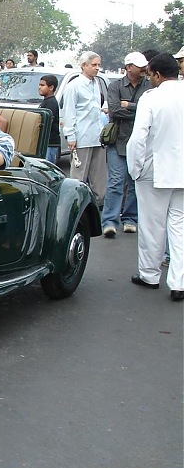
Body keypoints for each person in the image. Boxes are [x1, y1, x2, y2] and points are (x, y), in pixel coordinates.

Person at [126, 54, 184, 301]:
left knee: (152, 225)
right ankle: (179, 281)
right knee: (179, 226)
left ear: (157, 75)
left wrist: (135, 168)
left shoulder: (152, 97)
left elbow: (139, 137)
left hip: (154, 169)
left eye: (149, 74)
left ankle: (150, 275)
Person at [102, 51, 150, 238]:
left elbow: (149, 110)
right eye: (140, 66)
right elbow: (114, 111)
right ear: (129, 67)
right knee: (115, 182)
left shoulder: (148, 87)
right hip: (119, 140)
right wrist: (138, 109)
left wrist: (128, 106)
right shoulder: (115, 86)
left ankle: (130, 218)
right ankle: (109, 221)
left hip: (141, 141)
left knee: (134, 182)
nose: (144, 69)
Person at [61, 51, 106, 205]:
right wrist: (71, 136)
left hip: (97, 136)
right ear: (84, 65)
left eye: (99, 65)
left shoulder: (96, 83)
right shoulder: (74, 86)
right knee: (78, 177)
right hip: (82, 136)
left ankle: (96, 205)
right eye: (94, 65)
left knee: (98, 177)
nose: (97, 68)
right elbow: (69, 113)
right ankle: (75, 205)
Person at [38, 74, 60, 163]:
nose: (39, 87)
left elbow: (47, 122)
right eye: (39, 85)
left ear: (51, 88)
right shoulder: (45, 101)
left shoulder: (51, 103)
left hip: (50, 142)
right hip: (45, 143)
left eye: (42, 85)